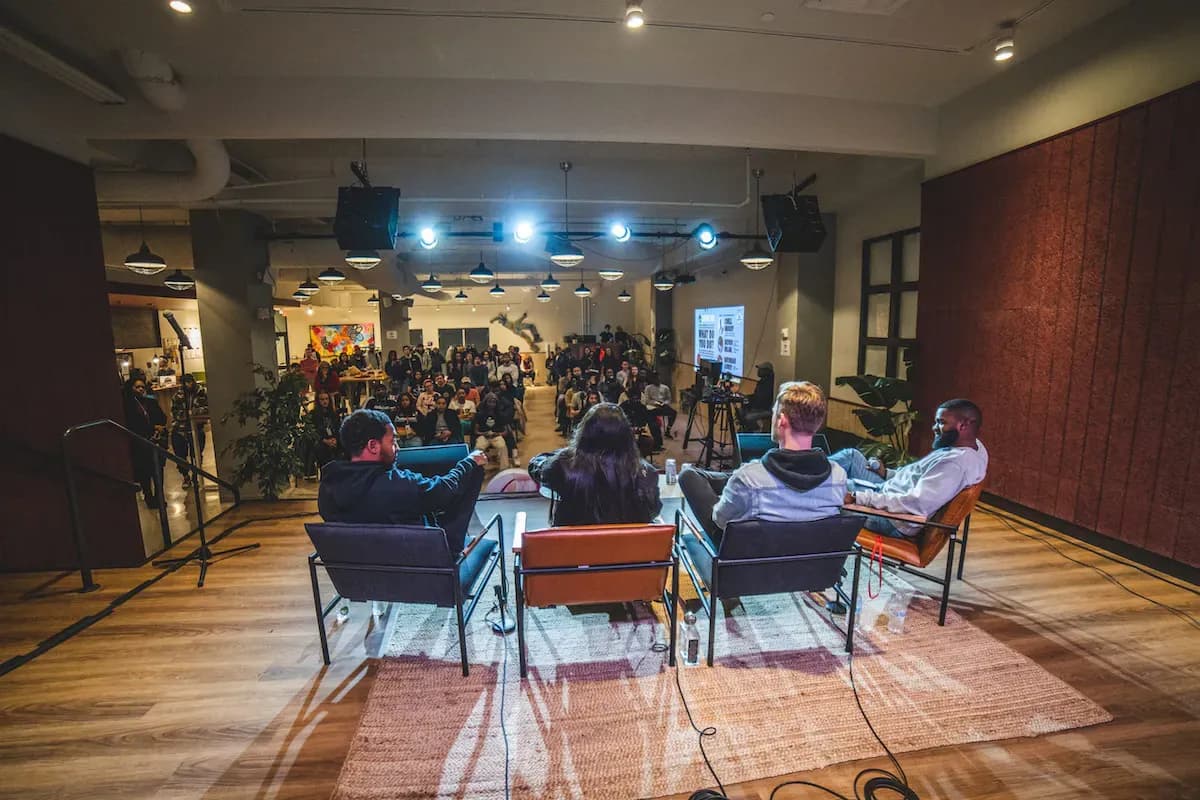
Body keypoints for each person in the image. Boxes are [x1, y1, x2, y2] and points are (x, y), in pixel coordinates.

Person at [679, 381, 845, 543]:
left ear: (782, 420)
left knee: (688, 476)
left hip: (748, 566)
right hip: (813, 566)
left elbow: (720, 521)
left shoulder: (750, 479)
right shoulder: (838, 476)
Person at [317, 409, 488, 552]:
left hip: (362, 577)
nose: (397, 448)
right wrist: (468, 463)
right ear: (373, 446)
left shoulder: (328, 488)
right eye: (393, 441)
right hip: (422, 571)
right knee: (472, 472)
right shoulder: (400, 485)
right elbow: (444, 490)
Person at [832, 398, 988, 538]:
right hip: (888, 495)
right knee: (851, 456)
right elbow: (915, 479)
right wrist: (886, 473)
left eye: (942, 422)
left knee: (825, 489)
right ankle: (810, 472)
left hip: (893, 519)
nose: (934, 427)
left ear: (963, 425)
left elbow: (915, 503)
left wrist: (856, 497)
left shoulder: (955, 465)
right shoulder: (974, 447)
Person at [528, 403, 662, 526]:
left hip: (574, 549)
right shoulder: (646, 472)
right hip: (629, 550)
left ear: (584, 433)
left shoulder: (563, 466)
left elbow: (535, 466)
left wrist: (565, 453)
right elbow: (653, 511)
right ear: (627, 436)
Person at [124, 376, 167, 507]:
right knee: (144, 472)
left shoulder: (151, 402)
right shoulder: (128, 405)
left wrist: (159, 427)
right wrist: (152, 426)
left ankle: (159, 496)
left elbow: (162, 417)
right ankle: (148, 497)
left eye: (142, 387)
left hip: (155, 441)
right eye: (137, 387)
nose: (141, 389)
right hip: (140, 442)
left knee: (158, 470)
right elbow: (132, 424)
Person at [306, 391, 343, 476]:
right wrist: (325, 440)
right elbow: (313, 431)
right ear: (318, 401)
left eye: (326, 399)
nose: (325, 401)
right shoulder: (313, 414)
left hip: (334, 438)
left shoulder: (334, 413)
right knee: (321, 449)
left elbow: (339, 428)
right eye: (322, 399)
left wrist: (336, 439)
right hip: (321, 440)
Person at [473, 392, 512, 469]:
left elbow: (506, 431)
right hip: (483, 436)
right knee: (478, 448)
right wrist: (484, 433)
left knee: (502, 446)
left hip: (496, 436)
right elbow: (475, 431)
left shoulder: (500, 415)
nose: (491, 404)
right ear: (485, 402)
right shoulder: (479, 415)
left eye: (494, 402)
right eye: (489, 402)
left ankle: (504, 468)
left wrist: (498, 434)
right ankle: (479, 470)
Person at [641, 371, 677, 438]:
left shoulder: (665, 388)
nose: (657, 379)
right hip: (652, 406)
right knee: (650, 416)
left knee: (673, 413)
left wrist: (664, 403)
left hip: (662, 405)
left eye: (658, 378)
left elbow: (668, 399)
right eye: (655, 378)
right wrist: (655, 403)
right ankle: (653, 431)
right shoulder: (648, 388)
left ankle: (668, 430)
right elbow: (647, 400)